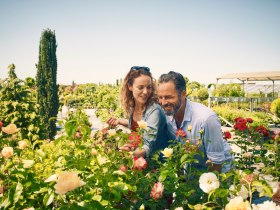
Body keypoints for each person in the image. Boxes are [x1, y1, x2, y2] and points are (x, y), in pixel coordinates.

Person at [157, 71, 233, 173]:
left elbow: (216, 163)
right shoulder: (167, 114)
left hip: (219, 174)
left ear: (183, 94)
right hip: (193, 171)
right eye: (160, 97)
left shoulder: (206, 119)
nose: (163, 102)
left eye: (169, 97)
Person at [107, 66, 170, 158]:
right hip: (142, 159)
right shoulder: (134, 106)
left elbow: (148, 144)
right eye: (140, 87)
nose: (145, 92)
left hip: (158, 163)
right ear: (130, 87)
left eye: (149, 87)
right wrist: (119, 121)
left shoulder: (154, 110)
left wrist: (127, 154)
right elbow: (139, 125)